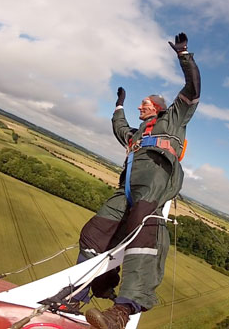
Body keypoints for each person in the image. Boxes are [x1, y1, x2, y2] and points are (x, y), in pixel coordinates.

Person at [77, 32, 200, 329]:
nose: (139, 107)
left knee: (142, 240)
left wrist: (184, 55)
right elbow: (119, 128)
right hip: (127, 192)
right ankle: (83, 289)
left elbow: (193, 88)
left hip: (152, 191)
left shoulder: (173, 119)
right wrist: (119, 106)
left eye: (143, 103)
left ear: (157, 106)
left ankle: (121, 312)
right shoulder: (136, 136)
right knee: (94, 232)